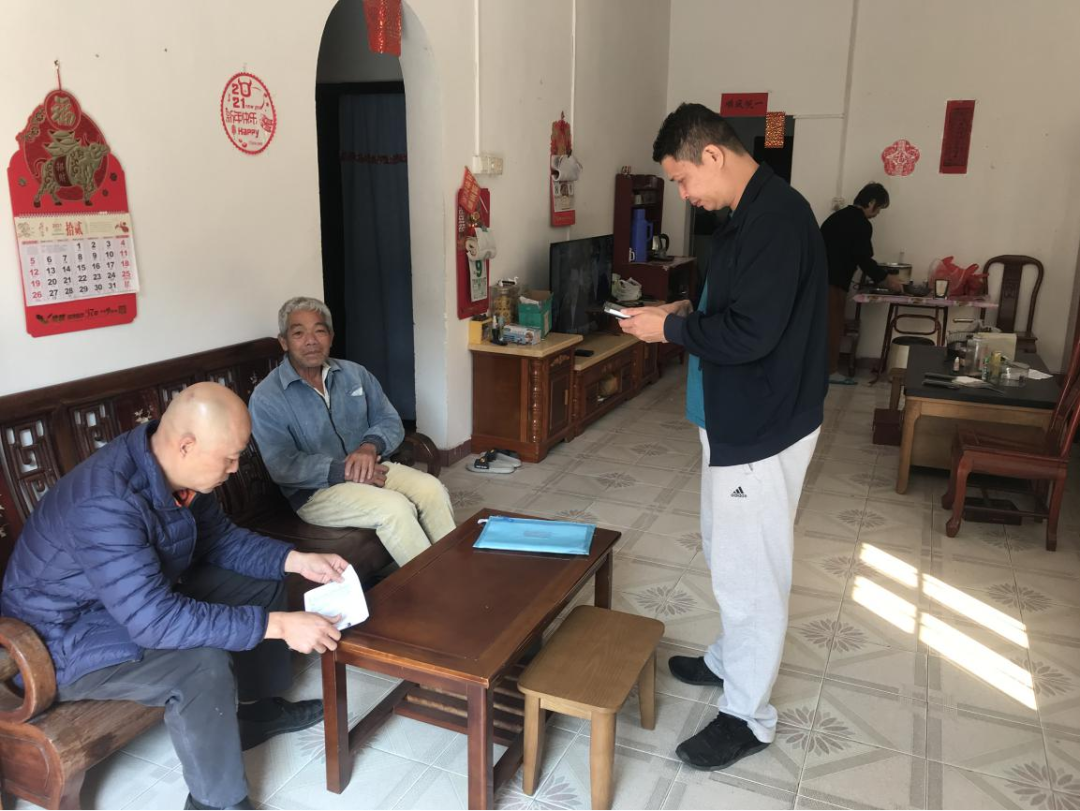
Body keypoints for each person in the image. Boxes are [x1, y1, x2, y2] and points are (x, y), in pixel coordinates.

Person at [1, 382, 349, 811]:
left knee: (261, 583)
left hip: (126, 603)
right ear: (186, 445)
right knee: (200, 663)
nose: (235, 468)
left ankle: (254, 712)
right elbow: (155, 621)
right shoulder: (105, 503)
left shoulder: (179, 474)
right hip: (56, 642)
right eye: (229, 457)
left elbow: (221, 541)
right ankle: (215, 802)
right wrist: (277, 625)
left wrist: (297, 561)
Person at [619, 103, 827, 771]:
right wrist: (685, 308)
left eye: (682, 179)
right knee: (722, 546)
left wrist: (670, 330)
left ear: (711, 154)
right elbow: (738, 307)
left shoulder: (777, 219)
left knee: (750, 572)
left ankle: (747, 716)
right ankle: (729, 657)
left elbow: (754, 333)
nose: (683, 194)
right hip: (732, 417)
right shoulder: (746, 215)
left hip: (761, 425)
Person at [249, 296, 455, 567]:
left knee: (432, 490)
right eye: (298, 333)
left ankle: (453, 573)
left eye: (319, 331)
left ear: (331, 337)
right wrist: (344, 471)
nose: (311, 341)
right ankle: (433, 586)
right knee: (395, 509)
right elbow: (282, 466)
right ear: (284, 342)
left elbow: (389, 419)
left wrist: (370, 446)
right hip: (316, 492)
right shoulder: (267, 397)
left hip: (372, 468)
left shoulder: (354, 374)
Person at [820, 182, 902, 384]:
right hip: (833, 283)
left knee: (819, 326)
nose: (877, 214)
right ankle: (829, 372)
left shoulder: (835, 218)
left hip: (816, 278)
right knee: (833, 326)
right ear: (872, 202)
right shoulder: (861, 224)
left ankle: (814, 370)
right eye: (879, 208)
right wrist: (886, 279)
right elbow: (864, 259)